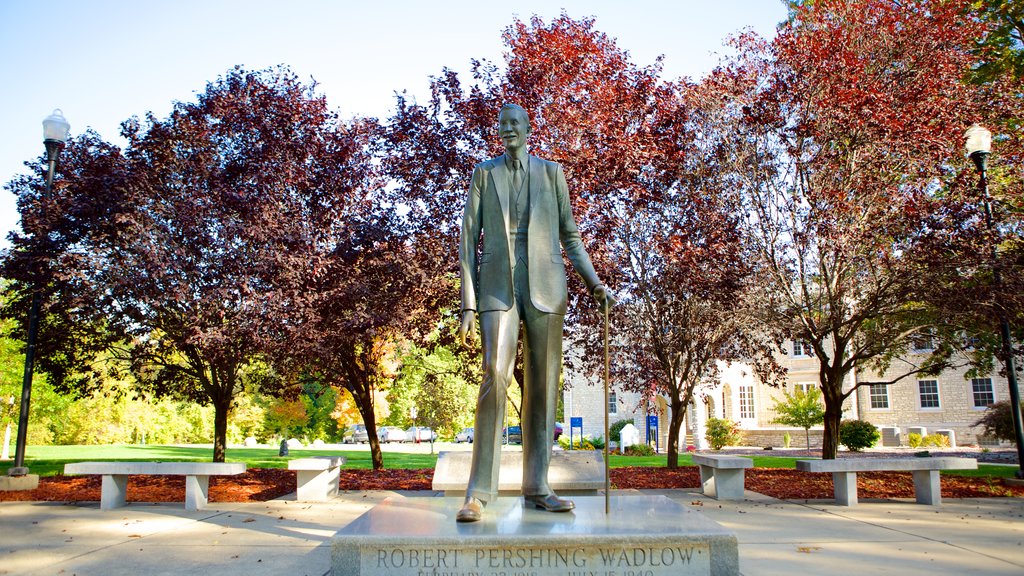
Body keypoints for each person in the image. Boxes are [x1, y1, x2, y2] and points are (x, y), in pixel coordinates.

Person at [456, 103, 614, 523]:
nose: (507, 129)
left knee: (544, 386)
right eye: (502, 124)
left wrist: (594, 283)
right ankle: (478, 492)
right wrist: (468, 303)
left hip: (546, 288)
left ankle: (538, 486)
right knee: (494, 372)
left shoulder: (551, 173)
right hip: (496, 288)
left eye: (514, 124)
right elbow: (468, 238)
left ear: (527, 129)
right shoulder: (484, 174)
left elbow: (572, 237)